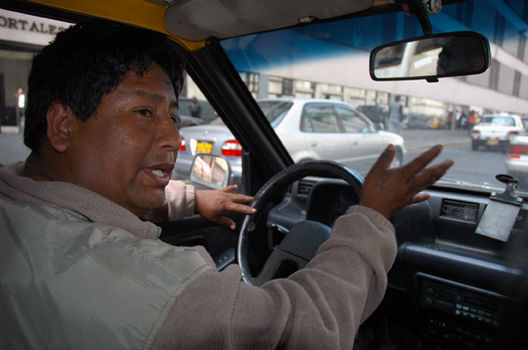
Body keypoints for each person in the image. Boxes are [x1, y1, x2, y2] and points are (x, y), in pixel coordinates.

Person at [0, 20, 453, 349]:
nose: (176, 137)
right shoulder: (161, 292)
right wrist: (371, 218)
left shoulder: (18, 201)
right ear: (62, 125)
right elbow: (313, 328)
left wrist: (194, 199)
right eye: (145, 113)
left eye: (175, 117)